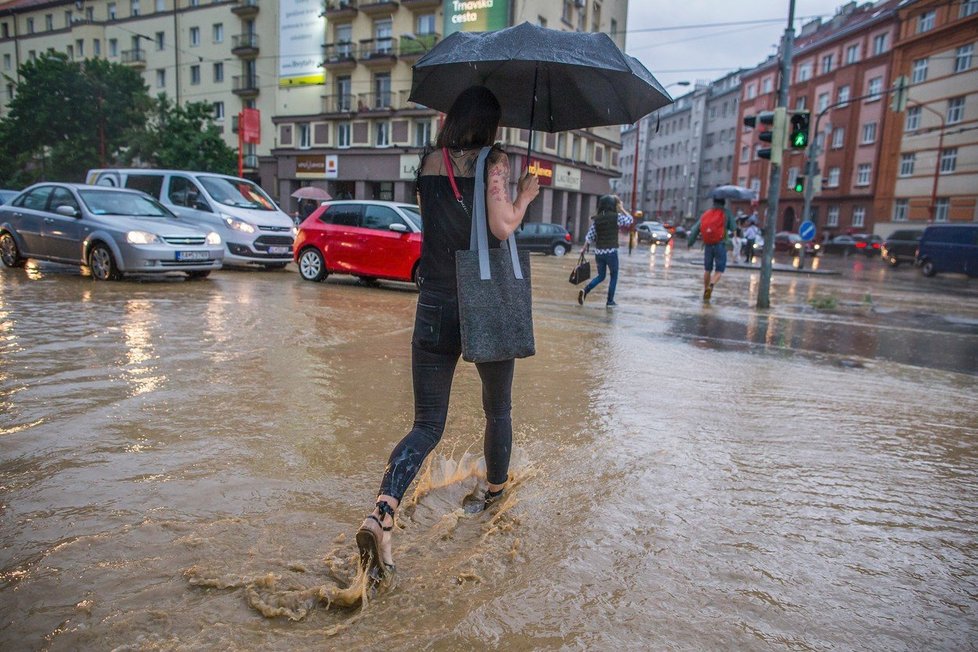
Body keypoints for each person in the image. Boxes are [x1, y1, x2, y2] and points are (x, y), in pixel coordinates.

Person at [353, 85, 540, 585]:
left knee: (427, 424)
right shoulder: (495, 161)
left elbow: (440, 222)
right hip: (484, 299)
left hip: (434, 299)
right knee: (497, 408)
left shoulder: (429, 161)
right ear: (490, 126)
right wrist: (524, 194)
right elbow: (501, 227)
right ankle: (496, 495)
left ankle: (383, 512)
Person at [577, 195, 633, 307]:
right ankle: (610, 301)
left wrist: (583, 249)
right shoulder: (616, 217)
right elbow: (630, 220)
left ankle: (586, 290)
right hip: (611, 252)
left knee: (601, 276)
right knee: (614, 275)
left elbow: (590, 236)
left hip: (599, 253)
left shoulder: (597, 219)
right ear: (613, 205)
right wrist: (621, 208)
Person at [687, 198, 737, 301]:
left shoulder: (706, 213)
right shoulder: (726, 213)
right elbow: (733, 228)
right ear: (724, 203)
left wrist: (690, 243)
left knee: (707, 269)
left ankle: (705, 290)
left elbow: (695, 229)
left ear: (713, 203)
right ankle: (711, 285)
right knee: (719, 270)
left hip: (708, 245)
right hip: (720, 244)